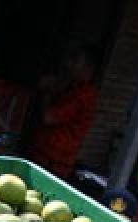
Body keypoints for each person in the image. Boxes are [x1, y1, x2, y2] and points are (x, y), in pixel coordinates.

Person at [26, 45, 101, 180]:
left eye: (75, 61)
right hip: (44, 154)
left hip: (53, 162)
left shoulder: (84, 95)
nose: (69, 64)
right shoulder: (72, 86)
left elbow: (48, 118)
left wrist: (47, 93)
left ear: (88, 68)